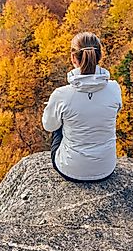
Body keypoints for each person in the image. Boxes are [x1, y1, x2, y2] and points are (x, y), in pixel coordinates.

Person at [41, 32, 122, 182]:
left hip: (70, 170)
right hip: (106, 168)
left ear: (73, 58)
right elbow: (115, 111)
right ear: (100, 56)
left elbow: (49, 126)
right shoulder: (114, 89)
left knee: (58, 122)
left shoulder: (62, 95)